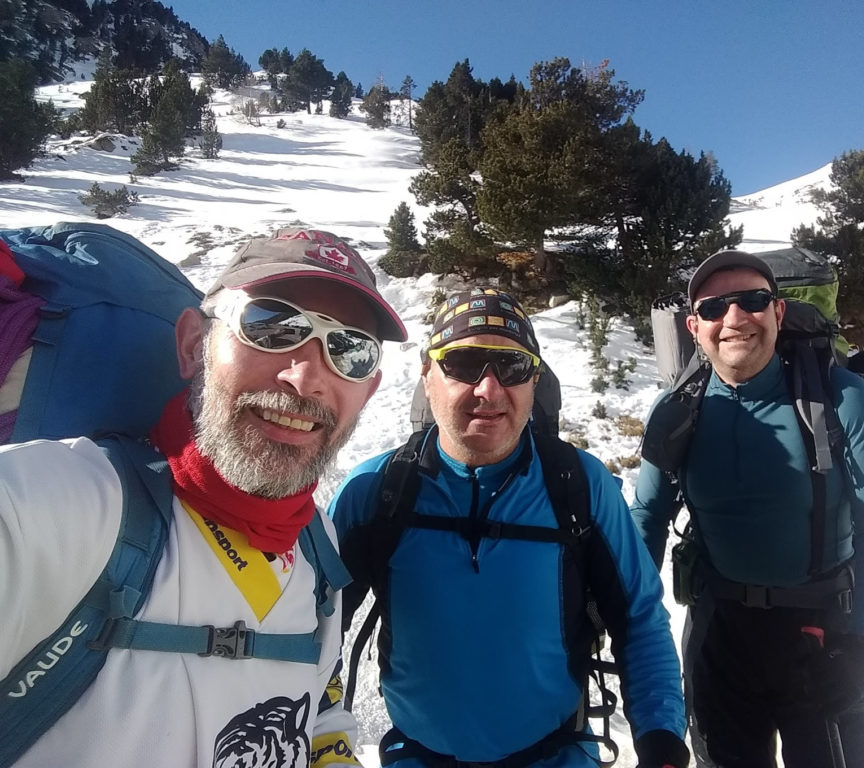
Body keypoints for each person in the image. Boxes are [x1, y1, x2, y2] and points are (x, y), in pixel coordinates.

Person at [0, 228, 406, 766]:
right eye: (272, 326)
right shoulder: (64, 507)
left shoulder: (314, 544)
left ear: (368, 390)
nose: (306, 378)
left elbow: (313, 703)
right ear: (195, 344)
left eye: (349, 351)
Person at [329, 288, 689, 768]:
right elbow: (314, 629)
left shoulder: (579, 486)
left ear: (534, 381)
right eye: (462, 363)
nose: (489, 390)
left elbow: (640, 618)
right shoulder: (376, 491)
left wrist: (661, 739)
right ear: (427, 374)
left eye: (513, 368)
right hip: (418, 757)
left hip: (556, 755)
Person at [631, 250, 864, 768]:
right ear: (694, 326)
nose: (734, 318)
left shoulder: (842, 398)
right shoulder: (675, 411)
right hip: (720, 636)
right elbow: (645, 517)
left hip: (822, 635)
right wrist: (621, 620)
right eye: (714, 308)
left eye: (752, 301)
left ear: (777, 313)